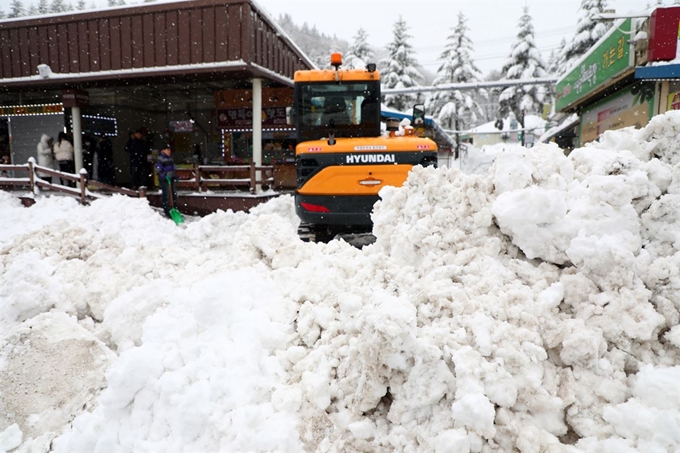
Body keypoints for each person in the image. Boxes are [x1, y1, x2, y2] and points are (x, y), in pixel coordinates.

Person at [154, 144, 178, 218]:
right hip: (164, 180)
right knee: (167, 194)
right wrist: (164, 175)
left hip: (171, 178)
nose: (169, 151)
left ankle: (174, 209)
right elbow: (158, 170)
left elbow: (172, 168)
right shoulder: (160, 159)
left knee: (174, 194)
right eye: (167, 150)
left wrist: (175, 176)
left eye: (169, 150)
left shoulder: (170, 158)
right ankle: (167, 210)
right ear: (163, 150)